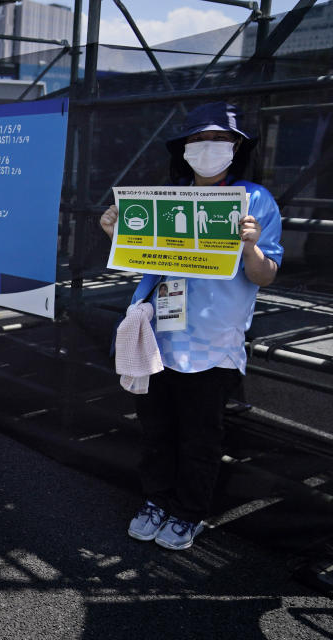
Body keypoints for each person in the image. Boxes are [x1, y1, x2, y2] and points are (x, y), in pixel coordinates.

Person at [99, 102, 284, 551]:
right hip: (158, 337)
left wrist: (251, 246)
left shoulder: (255, 200)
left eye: (220, 139)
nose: (208, 147)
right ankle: (158, 501)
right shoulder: (168, 196)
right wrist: (114, 233)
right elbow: (142, 256)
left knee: (201, 436)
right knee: (156, 430)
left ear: (237, 147)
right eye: (199, 139)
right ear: (183, 149)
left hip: (213, 343)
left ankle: (188, 512)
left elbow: (265, 275)